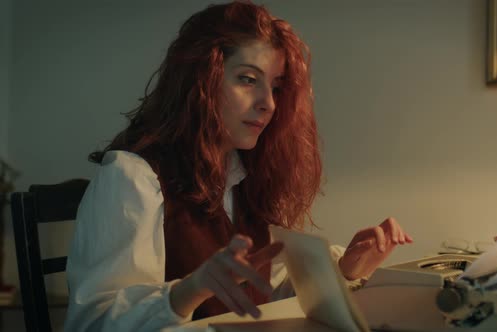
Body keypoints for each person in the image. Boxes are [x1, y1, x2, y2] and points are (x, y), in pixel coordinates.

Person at [64, 1, 413, 331]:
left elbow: (263, 293)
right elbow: (92, 322)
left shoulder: (242, 175)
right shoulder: (132, 176)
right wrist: (189, 290)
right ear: (199, 80)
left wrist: (343, 270)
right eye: (248, 79)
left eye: (275, 87)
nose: (269, 104)